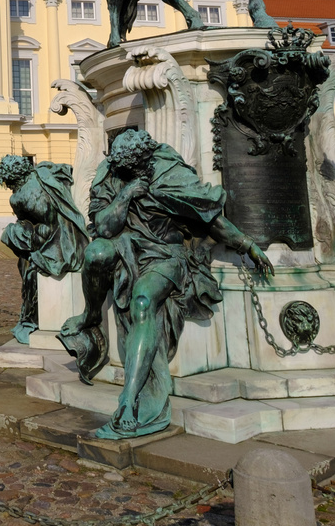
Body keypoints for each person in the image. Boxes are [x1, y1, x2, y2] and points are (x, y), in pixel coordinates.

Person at [58, 130, 272, 439]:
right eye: (121, 168)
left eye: (131, 168)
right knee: (95, 252)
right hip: (127, 248)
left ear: (145, 160)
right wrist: (126, 194)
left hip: (166, 255)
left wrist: (247, 244)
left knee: (143, 302)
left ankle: (129, 400)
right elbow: (103, 227)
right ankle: (90, 317)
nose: (122, 172)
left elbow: (210, 217)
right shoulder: (112, 173)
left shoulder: (169, 171)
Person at [0, 155, 90, 344]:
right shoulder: (44, 171)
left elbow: (43, 227)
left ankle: (31, 318)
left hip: (54, 240)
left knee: (10, 236)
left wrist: (17, 233)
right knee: (23, 257)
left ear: (11, 180)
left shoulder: (19, 197)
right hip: (67, 234)